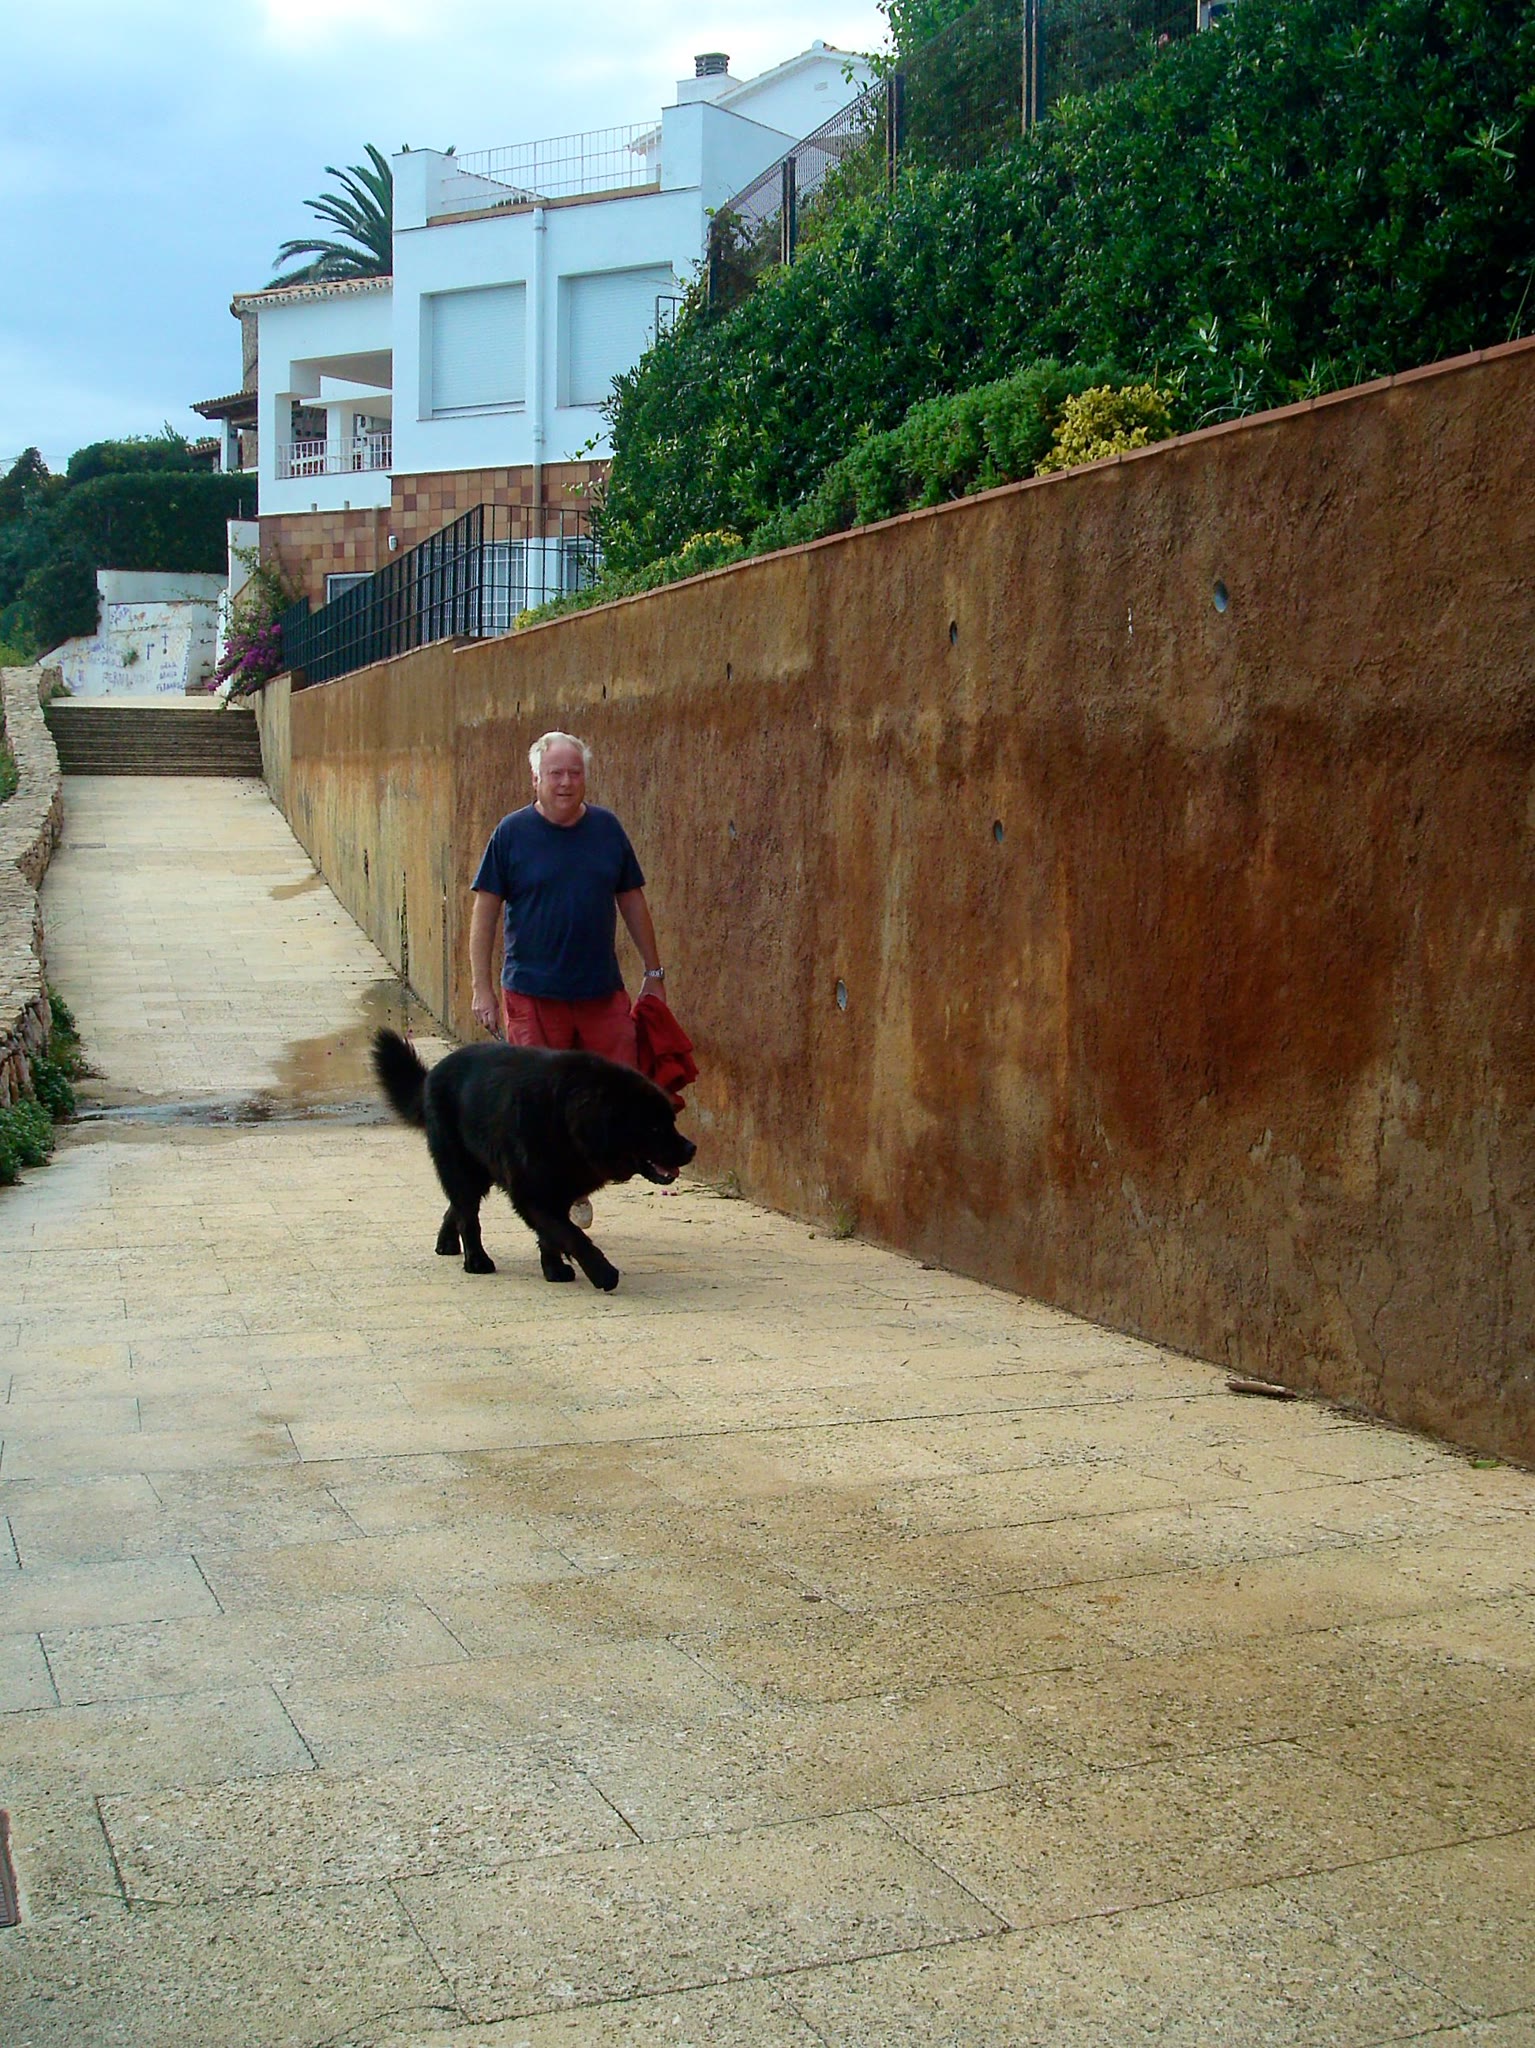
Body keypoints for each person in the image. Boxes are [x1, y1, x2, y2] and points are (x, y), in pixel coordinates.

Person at [470, 730, 667, 1194]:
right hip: (532, 994)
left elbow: (632, 900)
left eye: (574, 773)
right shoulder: (511, 834)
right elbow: (485, 912)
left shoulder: (607, 830)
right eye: (555, 773)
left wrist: (654, 972)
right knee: (541, 1104)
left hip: (600, 991)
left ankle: (599, 1170)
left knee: (620, 1090)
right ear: (535, 778)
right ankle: (562, 1193)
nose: (565, 782)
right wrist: (482, 988)